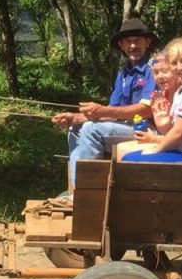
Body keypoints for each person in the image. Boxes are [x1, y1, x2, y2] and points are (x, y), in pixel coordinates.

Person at [51, 18, 158, 197]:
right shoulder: (123, 74)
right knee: (75, 128)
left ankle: (88, 194)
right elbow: (112, 111)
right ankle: (77, 191)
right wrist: (75, 117)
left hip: (148, 130)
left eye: (138, 40)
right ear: (121, 45)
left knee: (92, 130)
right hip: (126, 127)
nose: (133, 45)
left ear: (147, 42)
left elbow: (146, 110)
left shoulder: (153, 68)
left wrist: (104, 111)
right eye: (128, 41)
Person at [123, 37, 182, 163]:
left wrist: (156, 150)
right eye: (174, 63)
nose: (179, 67)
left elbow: (179, 133)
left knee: (131, 160)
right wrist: (163, 124)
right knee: (127, 154)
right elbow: (173, 132)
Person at [115, 51, 177, 161]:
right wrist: (162, 126)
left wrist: (154, 139)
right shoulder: (160, 96)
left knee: (128, 154)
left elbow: (180, 135)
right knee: (120, 148)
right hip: (167, 140)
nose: (160, 76)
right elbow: (166, 130)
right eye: (156, 72)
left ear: (176, 71)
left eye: (165, 71)